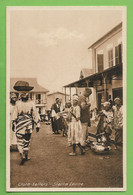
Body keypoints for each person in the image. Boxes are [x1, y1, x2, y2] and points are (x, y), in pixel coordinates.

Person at [12, 81, 40, 165]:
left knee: (20, 140)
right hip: (28, 125)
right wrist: (37, 124)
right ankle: (25, 155)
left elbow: (14, 115)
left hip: (20, 125)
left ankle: (22, 155)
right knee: (26, 140)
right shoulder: (31, 103)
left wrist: (13, 124)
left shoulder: (18, 104)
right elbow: (35, 114)